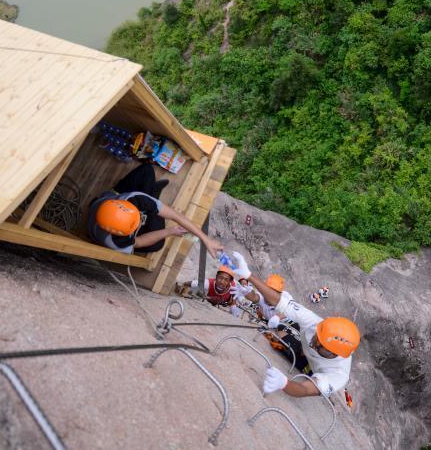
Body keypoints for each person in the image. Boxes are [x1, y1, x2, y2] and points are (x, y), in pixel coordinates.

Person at [230, 252, 360, 398]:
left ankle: (304, 363)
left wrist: (284, 383)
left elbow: (305, 389)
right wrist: (249, 275)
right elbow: (277, 301)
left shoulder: (338, 374)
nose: (313, 342)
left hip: (314, 370)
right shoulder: (314, 322)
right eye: (316, 336)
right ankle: (301, 353)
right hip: (302, 345)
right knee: (278, 337)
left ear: (333, 353)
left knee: (303, 365)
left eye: (319, 344)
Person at [87, 163, 224, 258]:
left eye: (139, 218)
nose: (141, 220)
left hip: (111, 200)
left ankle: (153, 198)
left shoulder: (134, 198)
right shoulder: (116, 243)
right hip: (100, 228)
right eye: (138, 222)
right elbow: (139, 242)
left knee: (147, 170)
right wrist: (169, 231)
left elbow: (175, 216)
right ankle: (154, 196)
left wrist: (206, 240)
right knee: (157, 244)